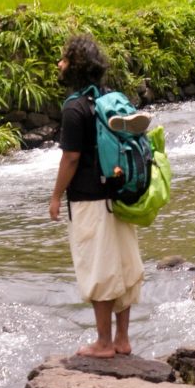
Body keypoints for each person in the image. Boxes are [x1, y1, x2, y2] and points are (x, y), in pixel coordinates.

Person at [49, 33, 145, 358]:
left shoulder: (74, 109)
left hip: (90, 201)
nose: (59, 64)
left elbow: (71, 158)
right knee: (123, 264)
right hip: (120, 195)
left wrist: (55, 196)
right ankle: (123, 340)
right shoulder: (110, 100)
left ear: (74, 66)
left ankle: (103, 344)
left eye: (63, 59)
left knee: (98, 268)